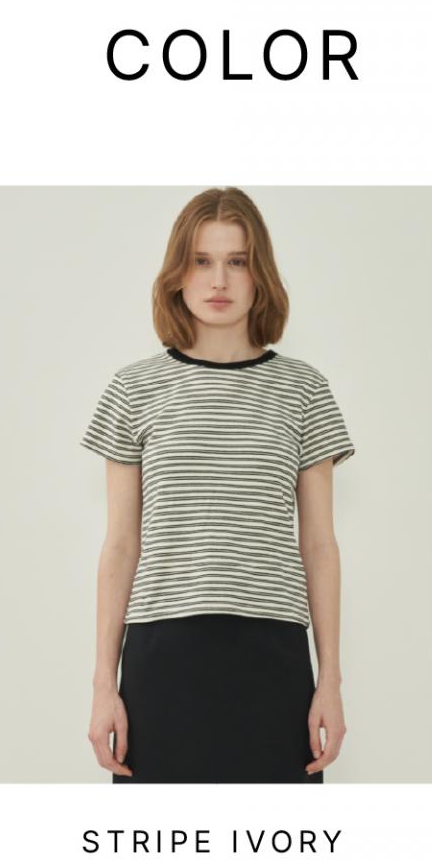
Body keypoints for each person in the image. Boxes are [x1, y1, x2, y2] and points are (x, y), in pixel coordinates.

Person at [83, 183, 349, 778]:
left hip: (273, 653)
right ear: (177, 274)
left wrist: (329, 680)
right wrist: (103, 685)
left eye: (238, 261)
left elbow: (319, 545)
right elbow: (120, 545)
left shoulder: (305, 390)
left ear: (261, 275)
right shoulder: (134, 389)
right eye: (202, 261)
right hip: (161, 654)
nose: (219, 281)